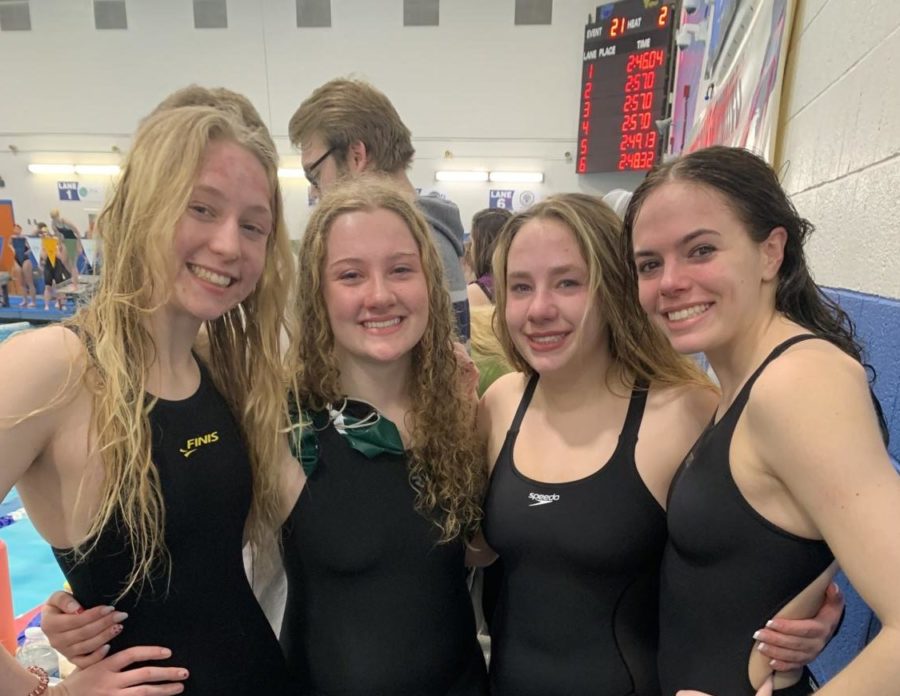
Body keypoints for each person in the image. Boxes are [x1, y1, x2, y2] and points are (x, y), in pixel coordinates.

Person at [474, 193, 843, 696]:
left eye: (568, 282)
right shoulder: (498, 405)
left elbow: (756, 563)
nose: (540, 309)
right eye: (520, 286)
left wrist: (807, 620)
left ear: (613, 289)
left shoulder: (685, 411)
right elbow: (480, 551)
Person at [0, 86, 301, 695]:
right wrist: (42, 695)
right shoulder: (55, 367)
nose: (228, 245)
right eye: (202, 208)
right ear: (145, 204)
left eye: (253, 226)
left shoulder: (221, 368)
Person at [624, 145, 900, 696]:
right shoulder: (741, 381)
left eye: (700, 250)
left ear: (771, 252)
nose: (670, 281)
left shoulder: (798, 384)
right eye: (650, 264)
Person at [280, 176, 488, 694]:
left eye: (400, 270)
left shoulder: (461, 408)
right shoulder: (283, 425)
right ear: (317, 294)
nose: (380, 295)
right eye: (350, 275)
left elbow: (477, 551)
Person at [288, 77, 471, 341]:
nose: (316, 191)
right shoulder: (431, 235)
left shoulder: (423, 242)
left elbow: (449, 372)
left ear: (356, 156)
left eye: (315, 175)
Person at [50, 210, 85, 286]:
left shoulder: (65, 221)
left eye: (55, 217)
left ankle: (75, 283)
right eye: (53, 218)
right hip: (65, 242)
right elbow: (58, 235)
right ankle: (75, 275)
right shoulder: (53, 224)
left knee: (72, 263)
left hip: (73, 241)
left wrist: (79, 246)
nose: (55, 220)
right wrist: (59, 245)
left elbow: (78, 233)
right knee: (64, 261)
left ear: (58, 216)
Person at [9, 224, 38, 307]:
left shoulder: (24, 238)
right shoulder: (12, 237)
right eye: (15, 228)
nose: (16, 230)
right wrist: (13, 250)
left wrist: (27, 252)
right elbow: (10, 245)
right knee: (21, 283)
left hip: (25, 259)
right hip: (17, 259)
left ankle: (33, 301)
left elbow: (31, 247)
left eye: (18, 229)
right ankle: (25, 300)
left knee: (29, 281)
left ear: (21, 230)